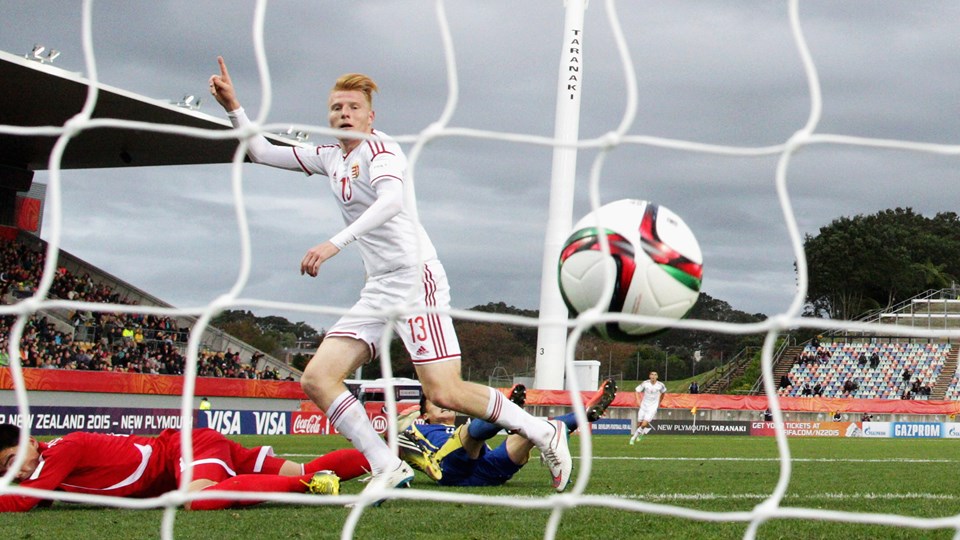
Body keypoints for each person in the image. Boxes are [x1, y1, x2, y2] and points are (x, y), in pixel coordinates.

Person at [208, 58, 572, 499]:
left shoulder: (380, 151)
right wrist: (234, 107)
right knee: (318, 378)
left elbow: (390, 202)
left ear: (369, 116)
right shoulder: (329, 156)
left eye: (353, 107)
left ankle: (542, 431)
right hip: (378, 286)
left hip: (415, 279)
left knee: (445, 391)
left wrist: (333, 243)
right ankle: (387, 465)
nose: (344, 113)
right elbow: (262, 152)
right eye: (337, 107)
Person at [0, 425, 370, 512]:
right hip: (185, 453)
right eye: (5, 473)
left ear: (32, 440)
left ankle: (310, 486)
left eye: (10, 461)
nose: (15, 474)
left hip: (184, 450)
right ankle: (387, 458)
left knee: (196, 500)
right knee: (306, 464)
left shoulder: (64, 449)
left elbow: (23, 502)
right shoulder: (49, 475)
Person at [398, 379, 617, 487]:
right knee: (470, 434)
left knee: (530, 433)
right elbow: (394, 445)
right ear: (424, 413)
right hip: (447, 467)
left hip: (484, 472)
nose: (444, 404)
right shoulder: (416, 429)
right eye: (436, 403)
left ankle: (585, 414)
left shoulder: (455, 427)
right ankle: (506, 409)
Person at [629, 371, 667, 445]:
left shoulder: (660, 385)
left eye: (655, 375)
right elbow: (637, 390)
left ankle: (633, 438)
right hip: (644, 405)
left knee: (644, 423)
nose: (653, 376)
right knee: (640, 423)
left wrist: (659, 402)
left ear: (657, 377)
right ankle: (641, 433)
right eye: (652, 374)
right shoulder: (645, 383)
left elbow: (663, 393)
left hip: (652, 407)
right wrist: (638, 400)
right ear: (649, 376)